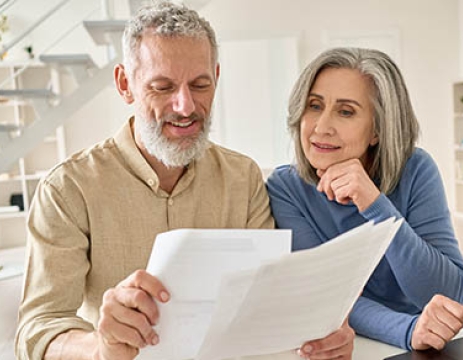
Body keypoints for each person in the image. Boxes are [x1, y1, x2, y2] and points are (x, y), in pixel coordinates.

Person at [15, 3, 353, 360]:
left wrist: (322, 332)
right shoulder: (68, 188)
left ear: (216, 78)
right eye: (162, 87)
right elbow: (38, 329)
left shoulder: (243, 178)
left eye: (200, 85)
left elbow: (269, 302)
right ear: (125, 84)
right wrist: (99, 348)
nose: (186, 106)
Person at [266, 47, 463, 352]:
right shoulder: (286, 187)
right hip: (349, 345)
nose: (321, 127)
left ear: (377, 129)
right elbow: (324, 293)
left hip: (418, 345)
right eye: (314, 106)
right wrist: (407, 330)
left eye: (346, 111)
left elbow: (448, 293)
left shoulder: (416, 169)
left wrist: (376, 206)